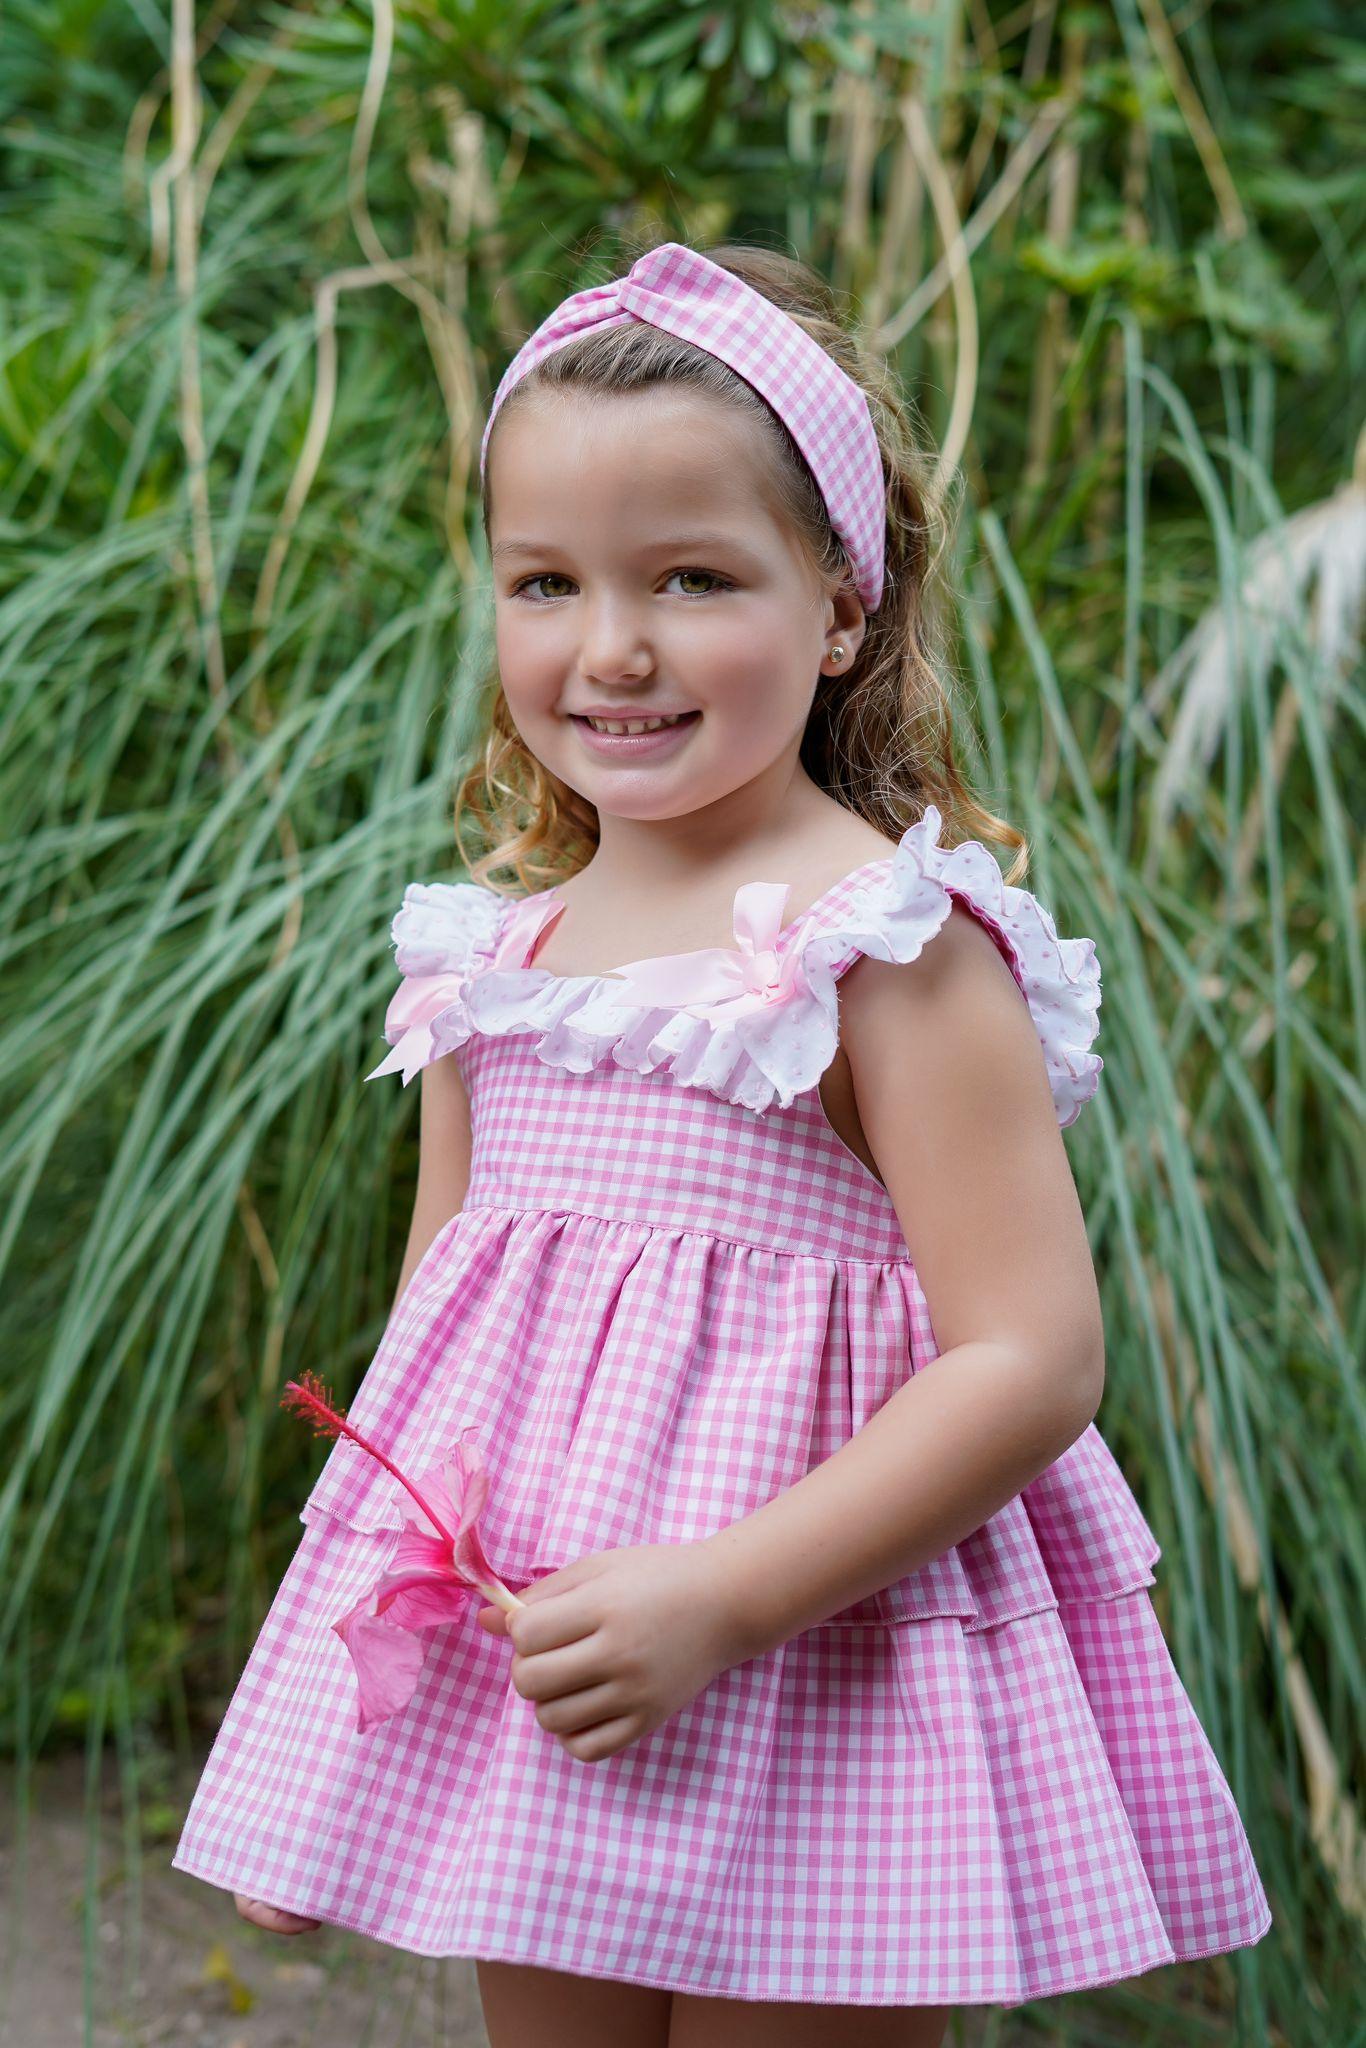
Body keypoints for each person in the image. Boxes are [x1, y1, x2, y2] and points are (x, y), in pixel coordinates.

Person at [171, 240, 1272, 2047]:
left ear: (837, 604)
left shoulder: (884, 951)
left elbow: (1031, 1357)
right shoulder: (493, 966)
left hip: (829, 1661)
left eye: (691, 578)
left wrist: (719, 1598)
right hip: (562, 1672)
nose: (611, 647)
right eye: (545, 581)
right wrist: (338, 1727)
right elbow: (434, 1355)